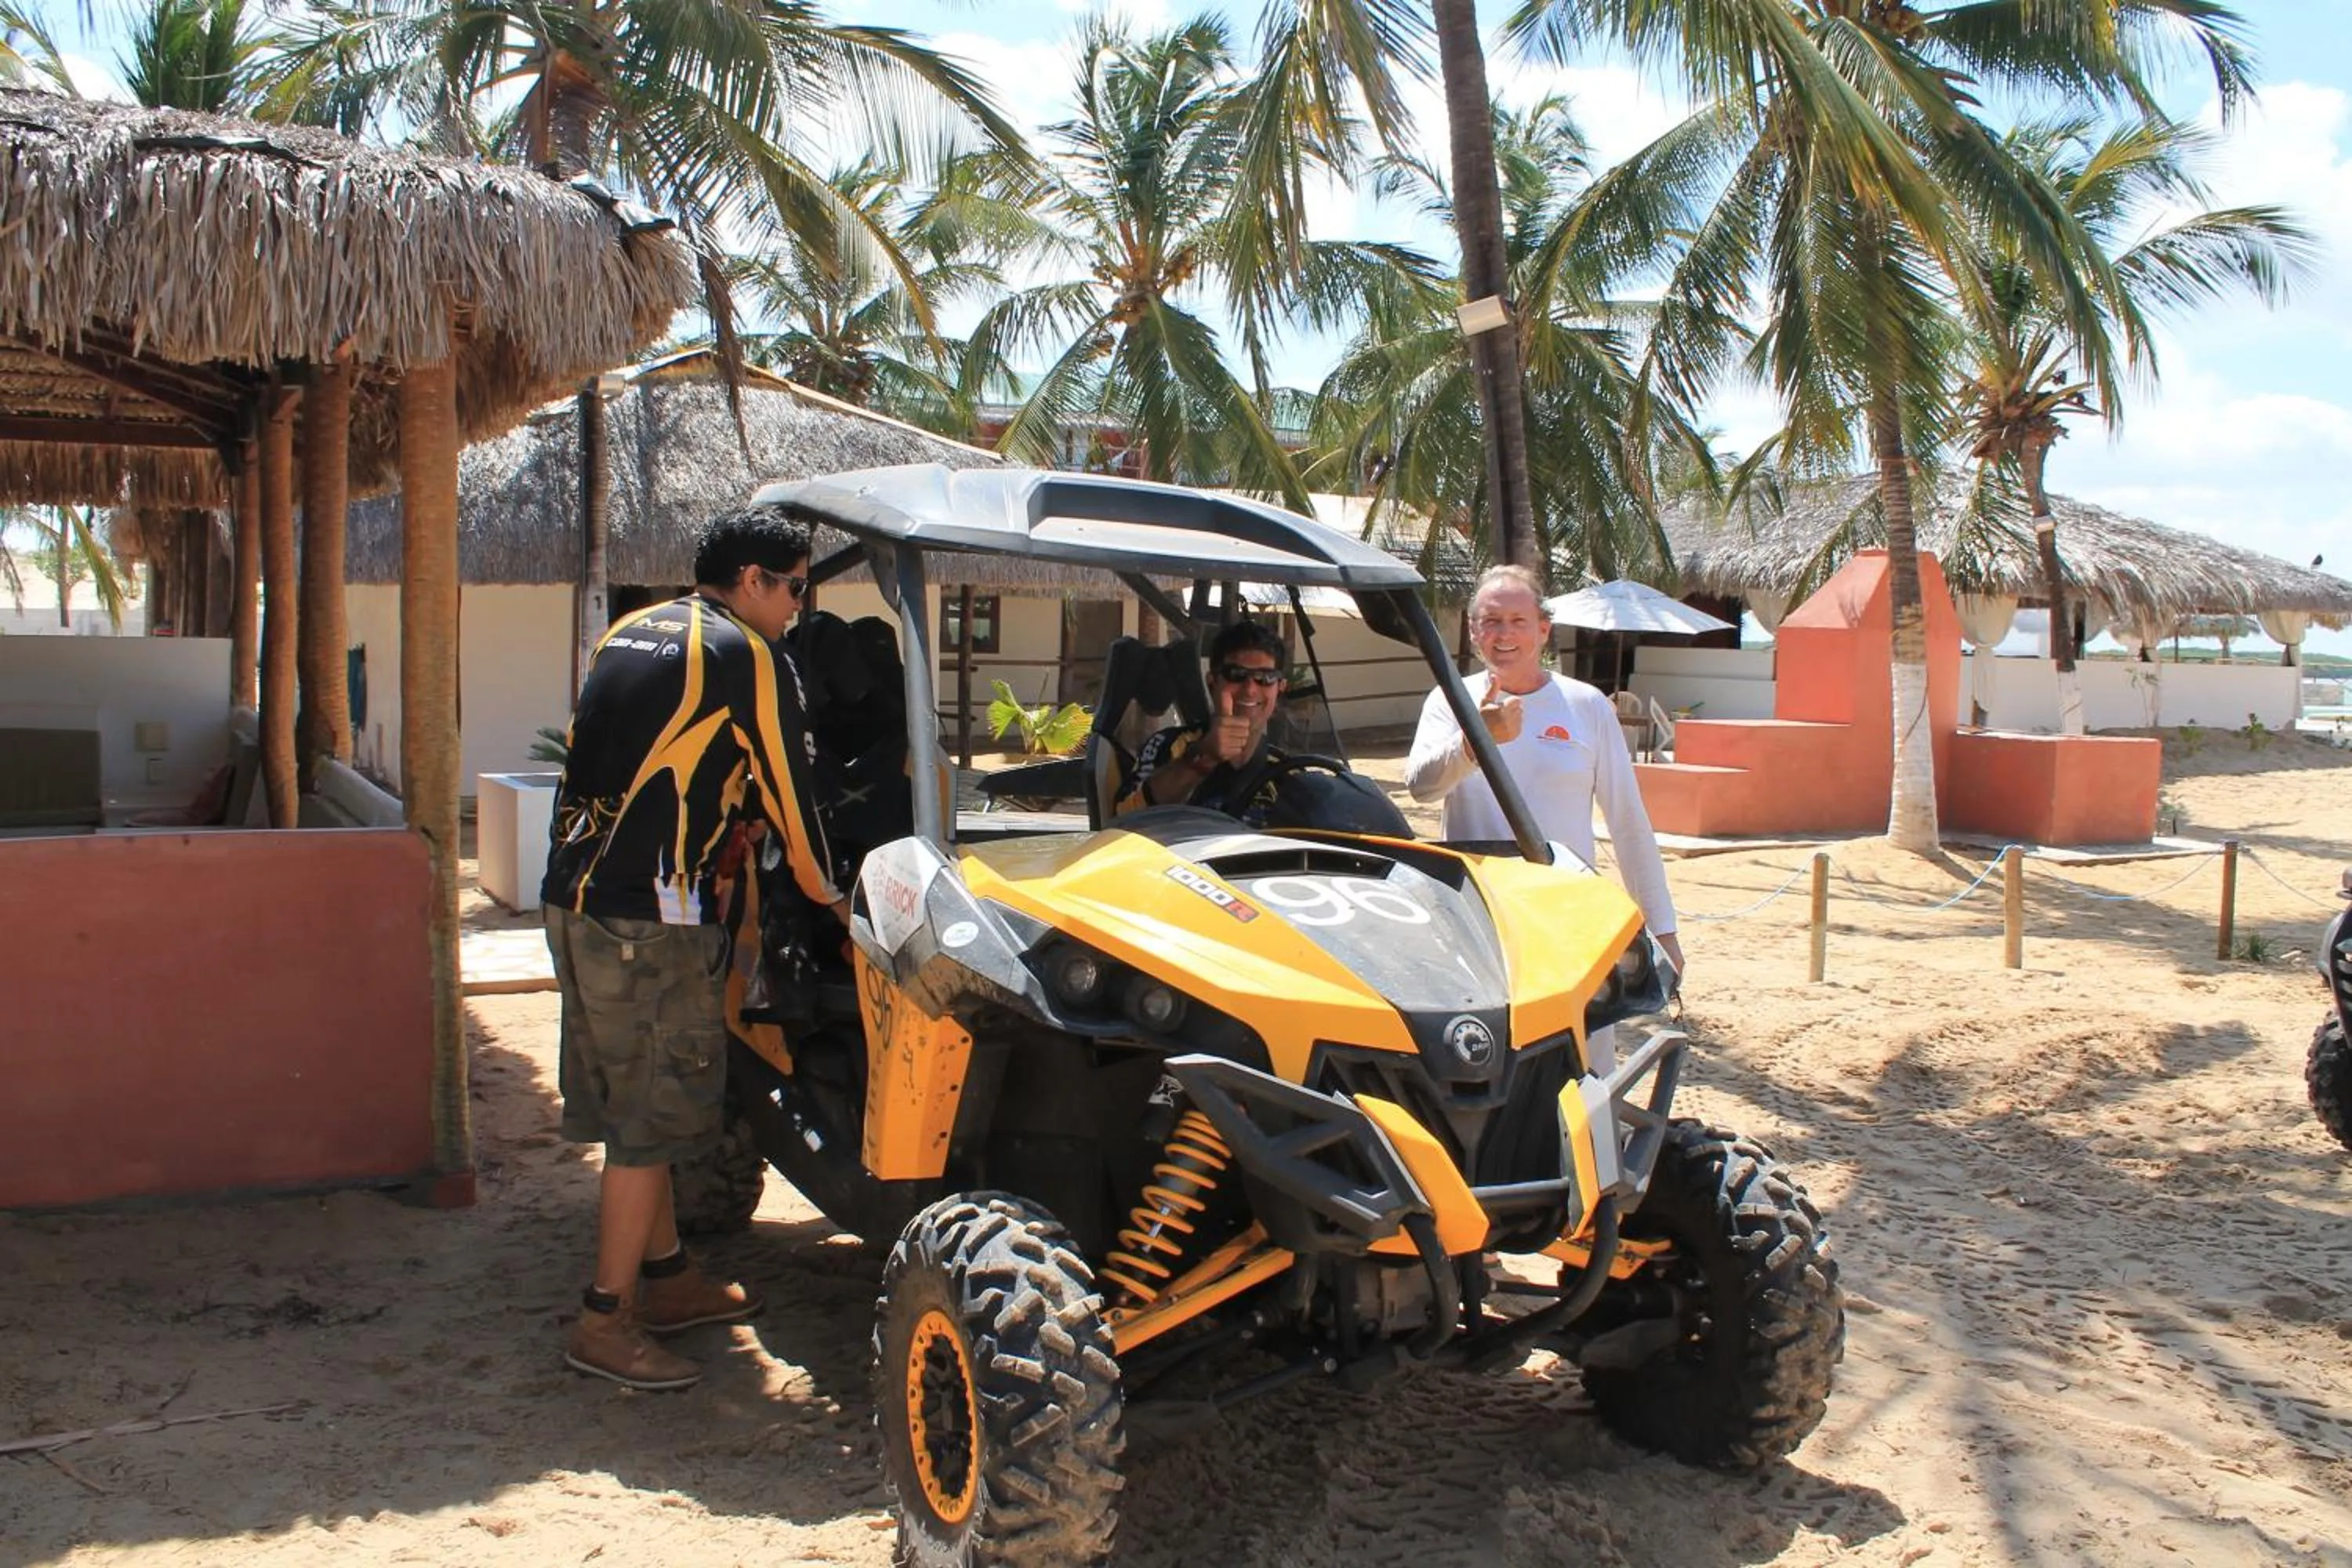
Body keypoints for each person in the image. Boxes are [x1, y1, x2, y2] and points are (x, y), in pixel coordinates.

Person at [542, 502, 847, 1392]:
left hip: (574, 899)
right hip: (651, 920)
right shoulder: (747, 656)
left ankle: (668, 1278)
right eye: (795, 586)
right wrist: (843, 901)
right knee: (650, 1126)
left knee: (633, 1104)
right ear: (751, 580)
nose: (799, 606)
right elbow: (797, 799)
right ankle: (605, 1319)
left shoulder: (632, 631)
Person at [1406, 564, 1683, 977]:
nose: (1504, 634)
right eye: (1492, 622)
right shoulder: (1450, 701)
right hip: (1479, 916)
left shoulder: (1586, 706)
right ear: (1473, 630)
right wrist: (1474, 742)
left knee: (1586, 1036)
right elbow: (1422, 788)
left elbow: (1628, 823)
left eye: (1519, 621)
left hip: (1566, 909)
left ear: (1543, 630)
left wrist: (1662, 930)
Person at [1115, 619, 1291, 826]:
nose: (1250, 689)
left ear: (1280, 688)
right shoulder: (1168, 745)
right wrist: (1203, 759)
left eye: (1265, 677)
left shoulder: (1285, 773)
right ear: (1212, 683)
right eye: (1236, 675)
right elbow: (1123, 818)